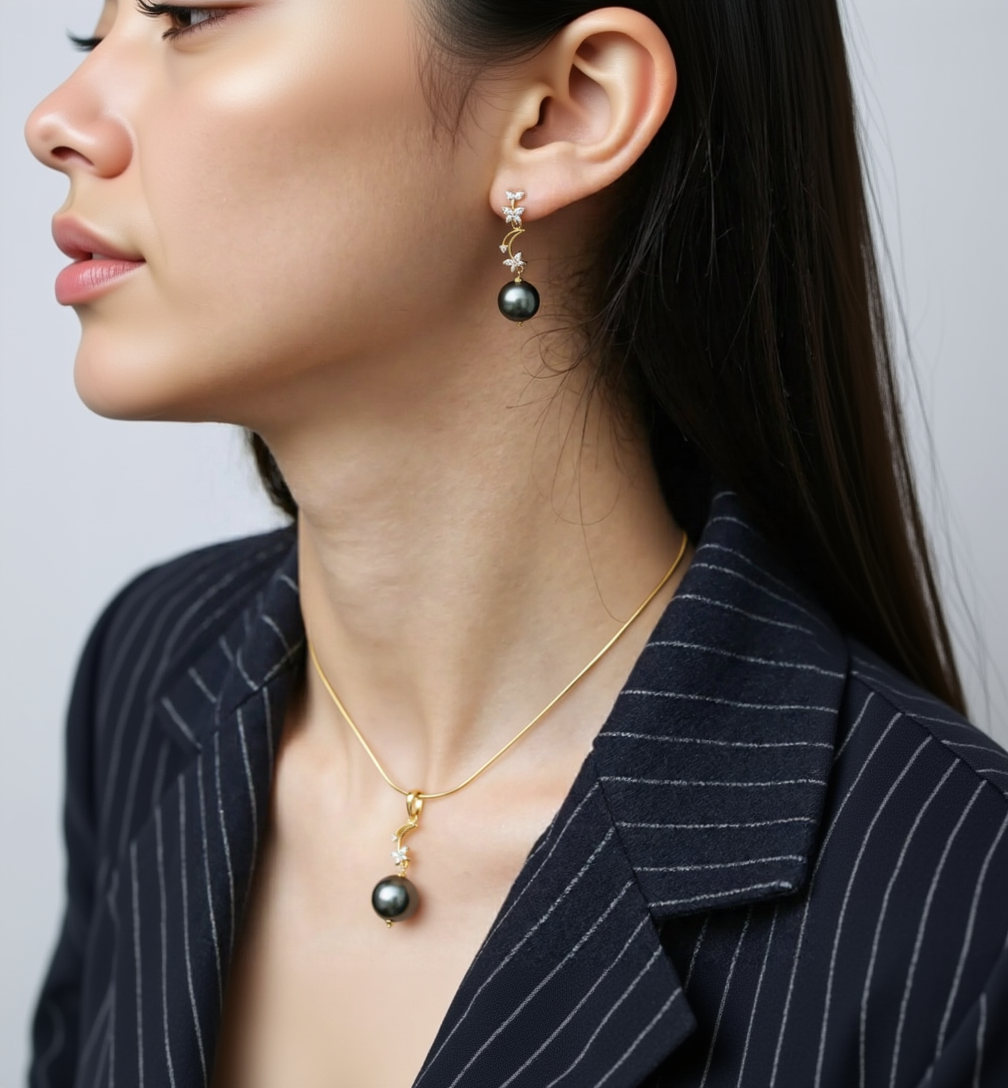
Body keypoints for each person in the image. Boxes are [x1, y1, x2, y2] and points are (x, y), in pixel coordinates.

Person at [22, 1, 1008, 1086]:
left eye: (193, 13)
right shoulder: (150, 667)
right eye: (92, 33)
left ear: (565, 113)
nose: (56, 120)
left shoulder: (960, 909)